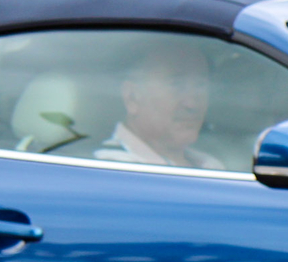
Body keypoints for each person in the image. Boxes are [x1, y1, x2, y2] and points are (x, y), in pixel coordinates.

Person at [94, 36, 225, 168]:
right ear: (132, 97)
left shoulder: (212, 166)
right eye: (176, 85)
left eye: (200, 85)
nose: (191, 104)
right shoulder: (107, 170)